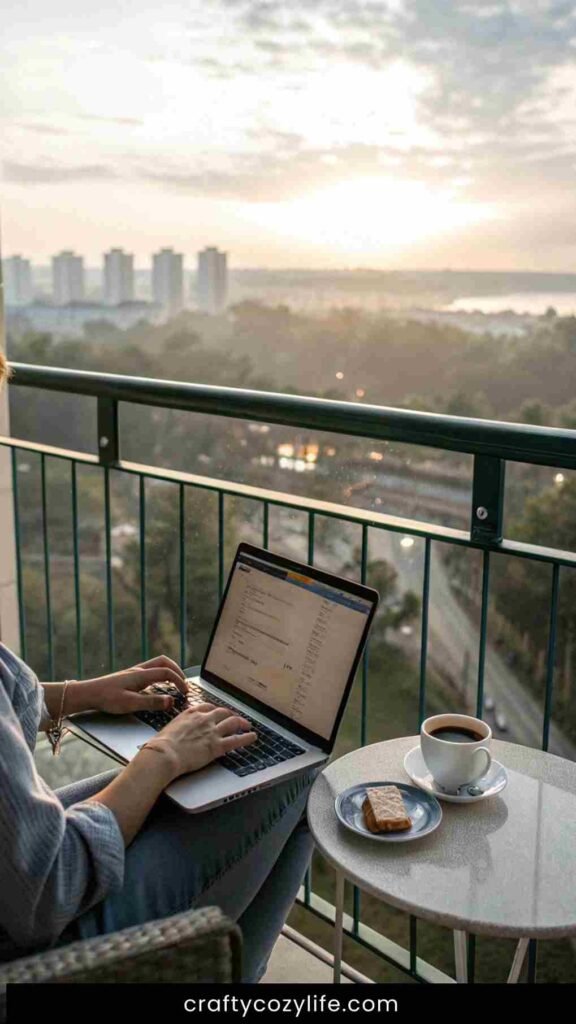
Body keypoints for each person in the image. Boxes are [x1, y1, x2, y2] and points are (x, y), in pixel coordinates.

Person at [0, 350, 316, 981]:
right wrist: (161, 758)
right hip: (34, 944)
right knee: (291, 775)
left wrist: (78, 694)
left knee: (212, 781)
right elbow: (45, 889)